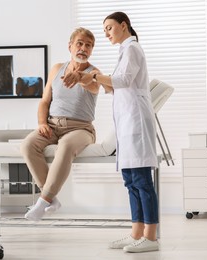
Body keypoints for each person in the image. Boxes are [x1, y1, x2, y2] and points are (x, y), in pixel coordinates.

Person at [63, 12, 159, 253]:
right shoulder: (124, 51)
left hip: (135, 122)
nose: (106, 33)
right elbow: (112, 85)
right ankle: (136, 233)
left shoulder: (132, 49)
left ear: (123, 26)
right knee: (130, 181)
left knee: (142, 181)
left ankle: (151, 237)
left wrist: (93, 75)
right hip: (126, 123)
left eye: (109, 28)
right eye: (104, 29)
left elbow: (123, 80)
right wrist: (88, 79)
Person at [20, 27, 100, 221]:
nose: (83, 48)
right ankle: (52, 198)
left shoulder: (94, 73)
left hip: (81, 128)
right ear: (70, 46)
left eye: (88, 45)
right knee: (28, 145)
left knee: (65, 146)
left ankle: (42, 201)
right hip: (52, 125)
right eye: (79, 43)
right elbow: (45, 101)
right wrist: (41, 123)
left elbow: (93, 84)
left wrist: (79, 77)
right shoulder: (57, 69)